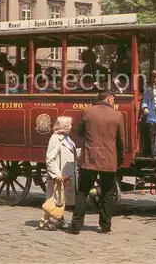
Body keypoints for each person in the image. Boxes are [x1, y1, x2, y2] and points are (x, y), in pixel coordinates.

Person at [71, 90, 126, 234]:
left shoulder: (87, 112)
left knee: (82, 192)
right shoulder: (117, 115)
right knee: (107, 193)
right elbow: (121, 140)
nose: (114, 103)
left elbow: (80, 132)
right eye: (113, 100)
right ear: (108, 100)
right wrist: (119, 158)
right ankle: (105, 225)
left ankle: (76, 225)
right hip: (109, 158)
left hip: (90, 158)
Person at [38, 116, 79, 231]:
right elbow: (50, 158)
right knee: (53, 199)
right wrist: (56, 175)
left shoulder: (66, 138)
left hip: (66, 176)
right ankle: (45, 221)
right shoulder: (55, 138)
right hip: (59, 176)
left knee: (60, 199)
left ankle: (58, 218)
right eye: (69, 124)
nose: (71, 126)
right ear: (64, 126)